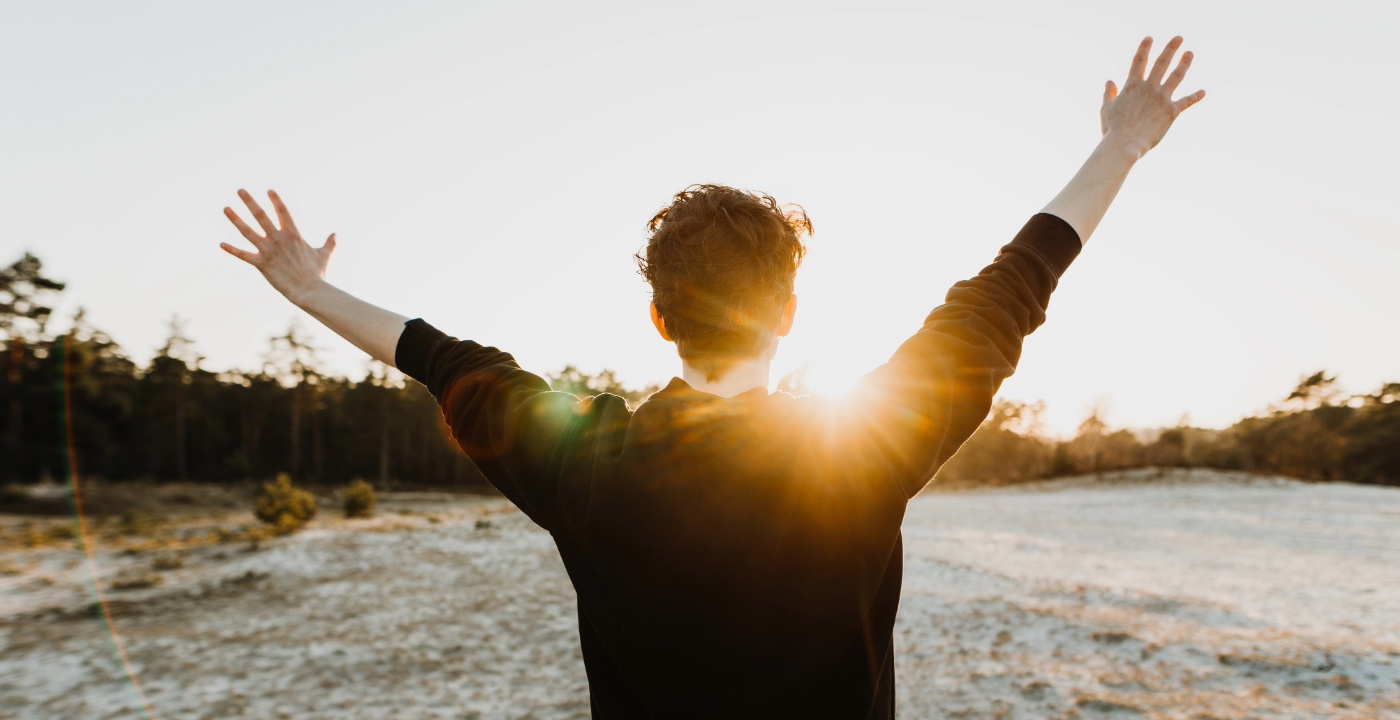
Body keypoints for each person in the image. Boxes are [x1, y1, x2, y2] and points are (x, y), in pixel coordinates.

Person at [220, 36, 1204, 719]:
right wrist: (1118, 149)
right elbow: (1006, 292)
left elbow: (441, 361)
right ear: (787, 314)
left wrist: (313, 292)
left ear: (658, 318)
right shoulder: (859, 449)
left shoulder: (584, 458)